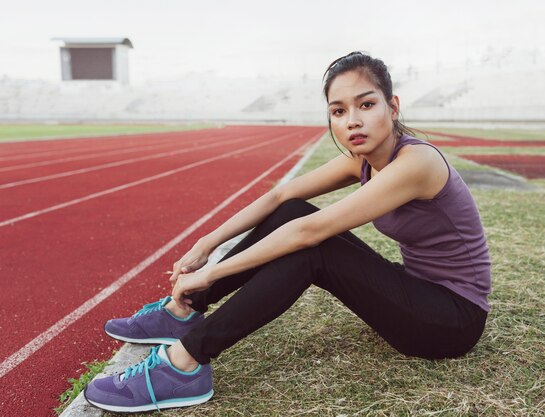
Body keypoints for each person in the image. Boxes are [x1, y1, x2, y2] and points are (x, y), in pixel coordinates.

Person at [84, 51, 491, 413]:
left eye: (366, 104)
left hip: (452, 320)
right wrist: (205, 246)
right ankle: (184, 310)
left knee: (312, 247)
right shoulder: (362, 160)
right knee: (293, 210)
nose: (353, 121)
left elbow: (313, 230)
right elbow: (282, 196)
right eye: (338, 111)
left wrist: (211, 272)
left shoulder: (417, 162)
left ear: (392, 106)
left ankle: (185, 362)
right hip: (416, 289)